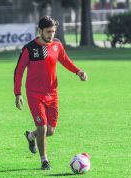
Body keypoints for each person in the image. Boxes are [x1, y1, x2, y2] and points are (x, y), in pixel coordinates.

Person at [14, 16, 88, 170]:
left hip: (52, 93)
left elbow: (65, 60)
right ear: (40, 30)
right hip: (34, 93)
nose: (51, 35)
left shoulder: (57, 45)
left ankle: (31, 136)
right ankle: (44, 160)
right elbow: (19, 71)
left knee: (50, 131)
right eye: (48, 32)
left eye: (53, 32)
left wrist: (78, 71)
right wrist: (17, 93)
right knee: (42, 127)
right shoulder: (29, 48)